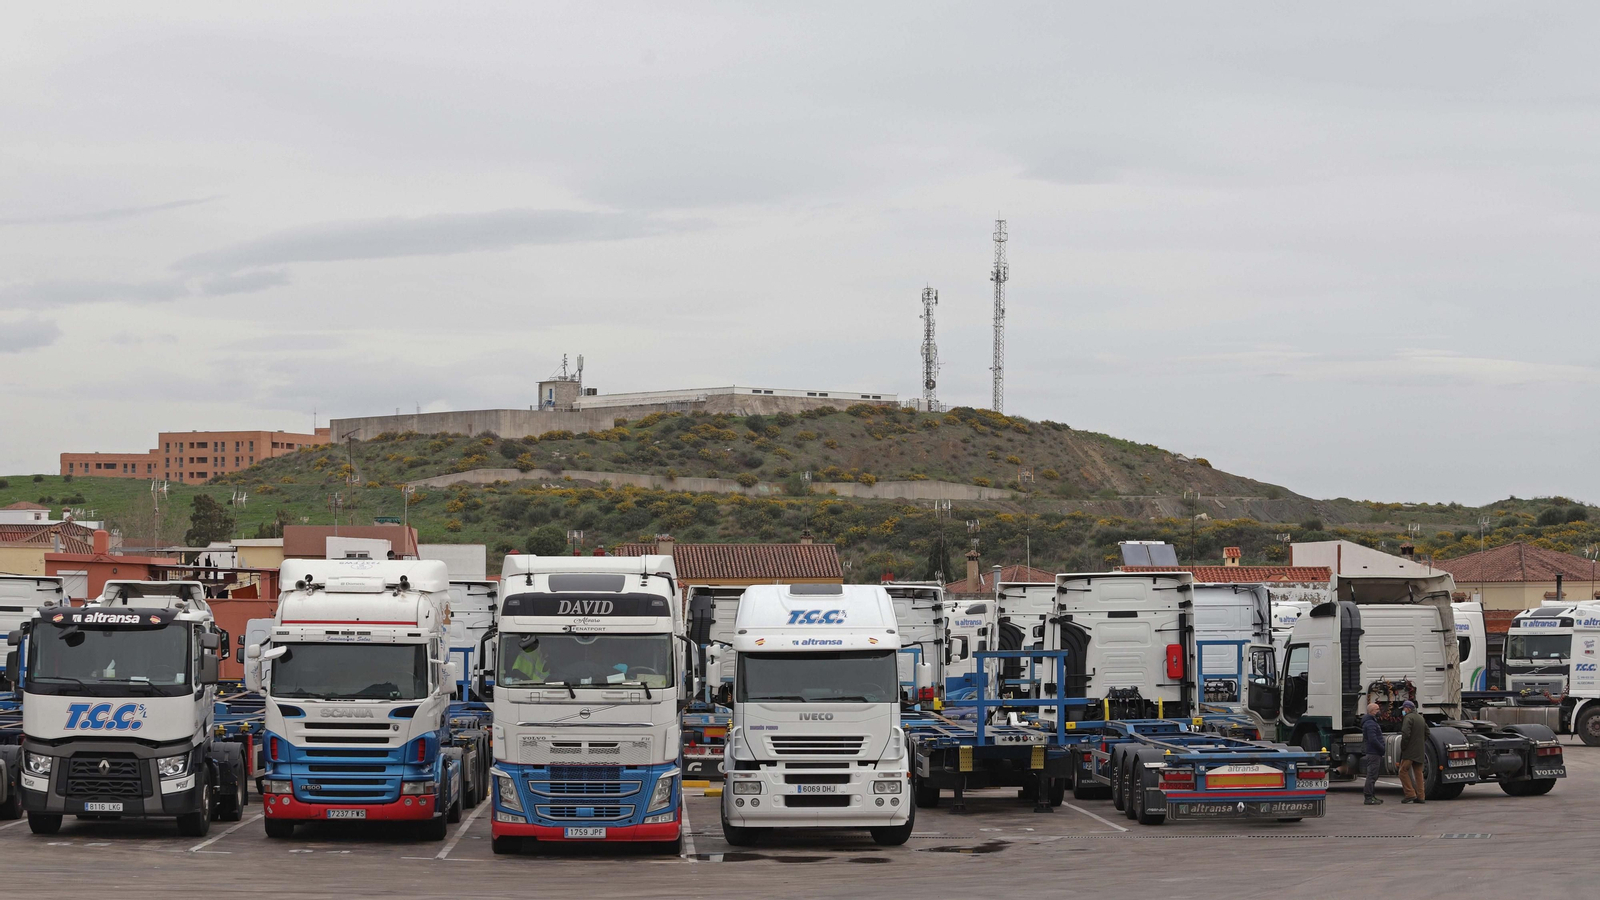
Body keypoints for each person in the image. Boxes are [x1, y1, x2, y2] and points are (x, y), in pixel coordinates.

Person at [1398, 699, 1428, 804]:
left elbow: (1405, 733)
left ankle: (1410, 794)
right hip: (1419, 750)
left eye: (1404, 709)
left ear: (1408, 709)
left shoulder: (1408, 717)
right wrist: (1420, 742)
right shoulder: (1421, 718)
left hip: (1410, 751)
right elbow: (1427, 732)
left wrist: (1403, 746)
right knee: (1418, 773)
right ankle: (1421, 796)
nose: (1403, 711)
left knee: (1402, 771)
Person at [1362, 702, 1385, 805]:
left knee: (1373, 775)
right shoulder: (1370, 723)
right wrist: (1382, 749)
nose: (1379, 711)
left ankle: (1372, 796)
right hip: (1374, 752)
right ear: (1371, 711)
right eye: (1377, 710)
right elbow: (1373, 739)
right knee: (1371, 775)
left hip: (1374, 752)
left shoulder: (1371, 722)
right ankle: (1368, 798)